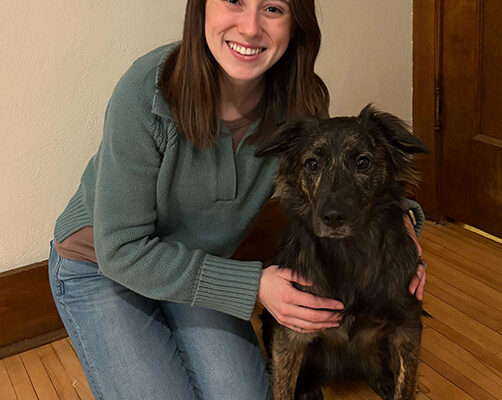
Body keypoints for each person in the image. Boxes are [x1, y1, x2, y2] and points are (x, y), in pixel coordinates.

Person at [48, 0, 427, 399]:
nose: (249, 28)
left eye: (273, 8)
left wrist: (404, 226)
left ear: (296, 24)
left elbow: (335, 190)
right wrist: (255, 287)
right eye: (233, 1)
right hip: (100, 265)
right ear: (201, 10)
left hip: (198, 260)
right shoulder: (148, 90)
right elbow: (121, 250)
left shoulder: (303, 102)